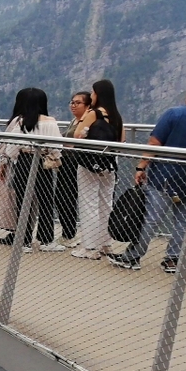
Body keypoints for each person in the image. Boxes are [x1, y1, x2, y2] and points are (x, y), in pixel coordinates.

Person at [108, 81, 186, 271]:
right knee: (184, 221)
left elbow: (154, 142)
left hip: (165, 175)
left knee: (150, 218)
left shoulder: (175, 113)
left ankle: (132, 256)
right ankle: (173, 259)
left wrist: (141, 167)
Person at [2, 88, 64, 252]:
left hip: (23, 162)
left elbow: (11, 149)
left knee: (23, 202)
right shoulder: (50, 122)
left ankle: (24, 241)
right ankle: (46, 240)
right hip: (42, 163)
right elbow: (57, 147)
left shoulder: (21, 122)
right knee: (45, 201)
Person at [74, 80, 123, 260]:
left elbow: (77, 135)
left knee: (88, 201)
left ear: (97, 94)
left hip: (90, 161)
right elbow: (122, 140)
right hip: (110, 162)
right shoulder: (117, 115)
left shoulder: (94, 113)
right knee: (106, 201)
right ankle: (105, 242)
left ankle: (89, 246)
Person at [56, 91, 91, 247]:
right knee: (62, 196)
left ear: (88, 105)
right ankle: (68, 232)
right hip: (66, 162)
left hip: (75, 162)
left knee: (67, 196)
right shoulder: (75, 121)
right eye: (72, 102)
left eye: (78, 103)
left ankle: (70, 234)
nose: (73, 105)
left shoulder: (87, 121)